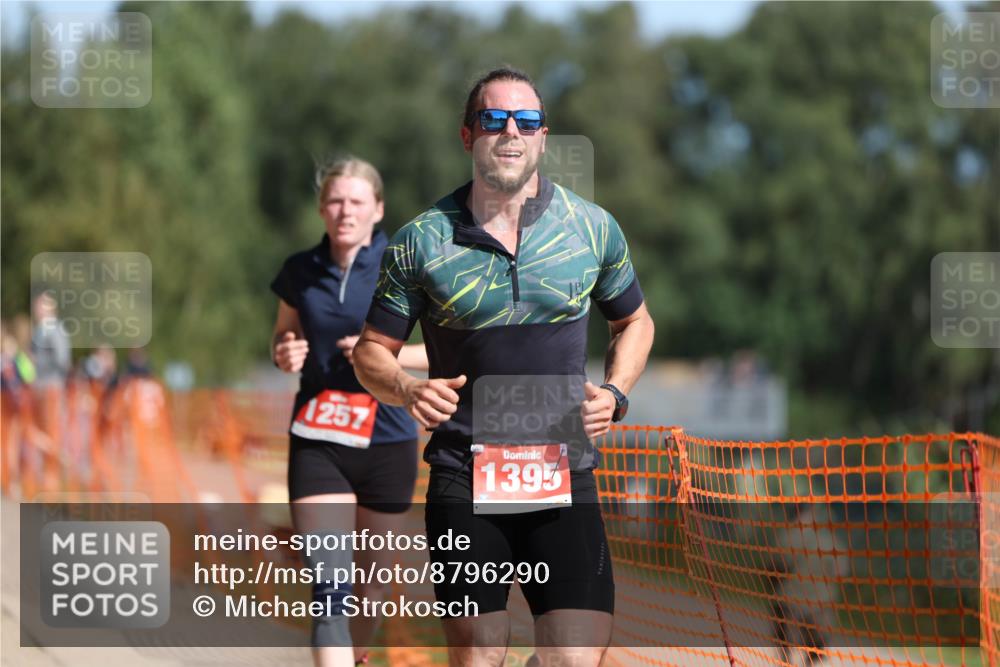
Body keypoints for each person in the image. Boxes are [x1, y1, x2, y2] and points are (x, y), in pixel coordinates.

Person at [353, 67, 655, 666]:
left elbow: (636, 323)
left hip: (564, 474)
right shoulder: (422, 241)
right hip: (466, 475)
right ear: (469, 136)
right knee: (480, 654)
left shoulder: (591, 229)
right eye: (494, 119)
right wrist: (408, 389)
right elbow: (369, 353)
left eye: (527, 120)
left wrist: (616, 392)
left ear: (543, 136)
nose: (510, 131)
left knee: (574, 658)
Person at [269, 156, 428, 667]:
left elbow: (448, 350)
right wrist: (284, 350)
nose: (345, 211)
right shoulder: (298, 271)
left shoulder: (403, 266)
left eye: (357, 201)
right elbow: (284, 334)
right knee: (330, 592)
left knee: (372, 592)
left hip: (389, 436)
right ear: (321, 209)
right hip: (319, 437)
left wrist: (377, 351)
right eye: (335, 200)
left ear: (377, 209)